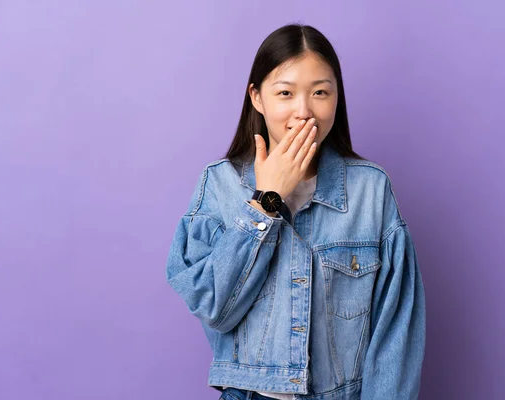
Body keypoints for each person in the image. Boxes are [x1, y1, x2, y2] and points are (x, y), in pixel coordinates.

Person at [166, 23, 426, 400]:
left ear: (337, 97)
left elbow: (395, 334)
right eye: (285, 93)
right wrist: (267, 199)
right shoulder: (218, 185)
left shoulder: (371, 190)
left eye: (320, 92)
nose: (304, 112)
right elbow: (213, 306)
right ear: (257, 97)